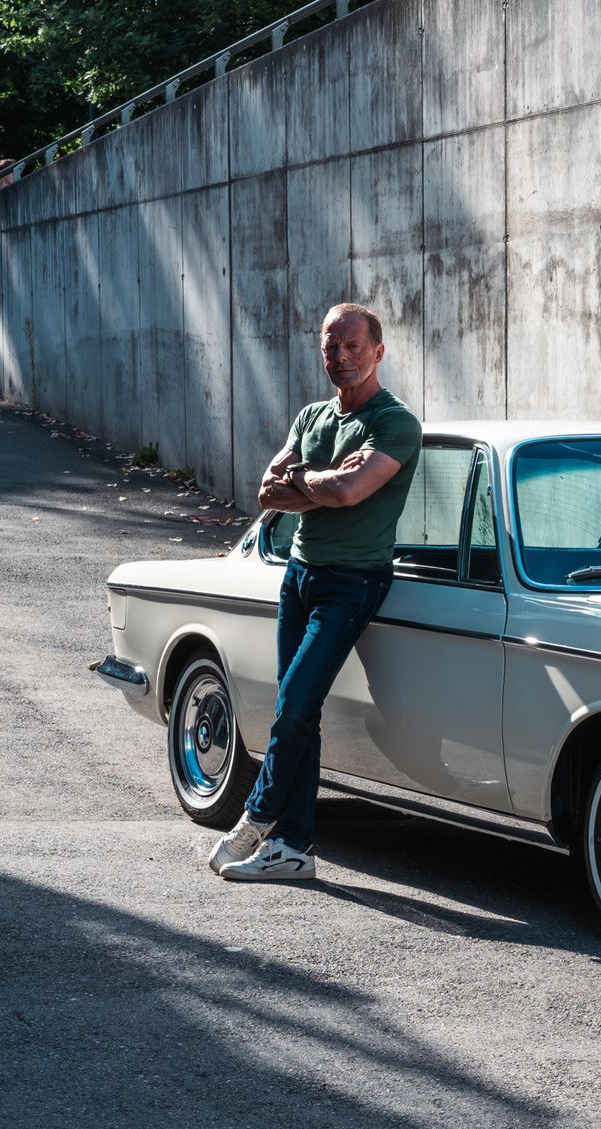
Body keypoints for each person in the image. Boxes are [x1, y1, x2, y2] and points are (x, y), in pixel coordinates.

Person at [208, 302, 421, 881]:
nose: (342, 357)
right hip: (299, 576)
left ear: (378, 351)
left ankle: (258, 818)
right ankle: (294, 848)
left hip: (353, 582)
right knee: (295, 710)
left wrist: (308, 481)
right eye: (332, 347)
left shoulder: (394, 423)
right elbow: (267, 493)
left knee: (297, 703)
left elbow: (352, 491)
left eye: (354, 346)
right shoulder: (311, 417)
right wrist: (316, 482)